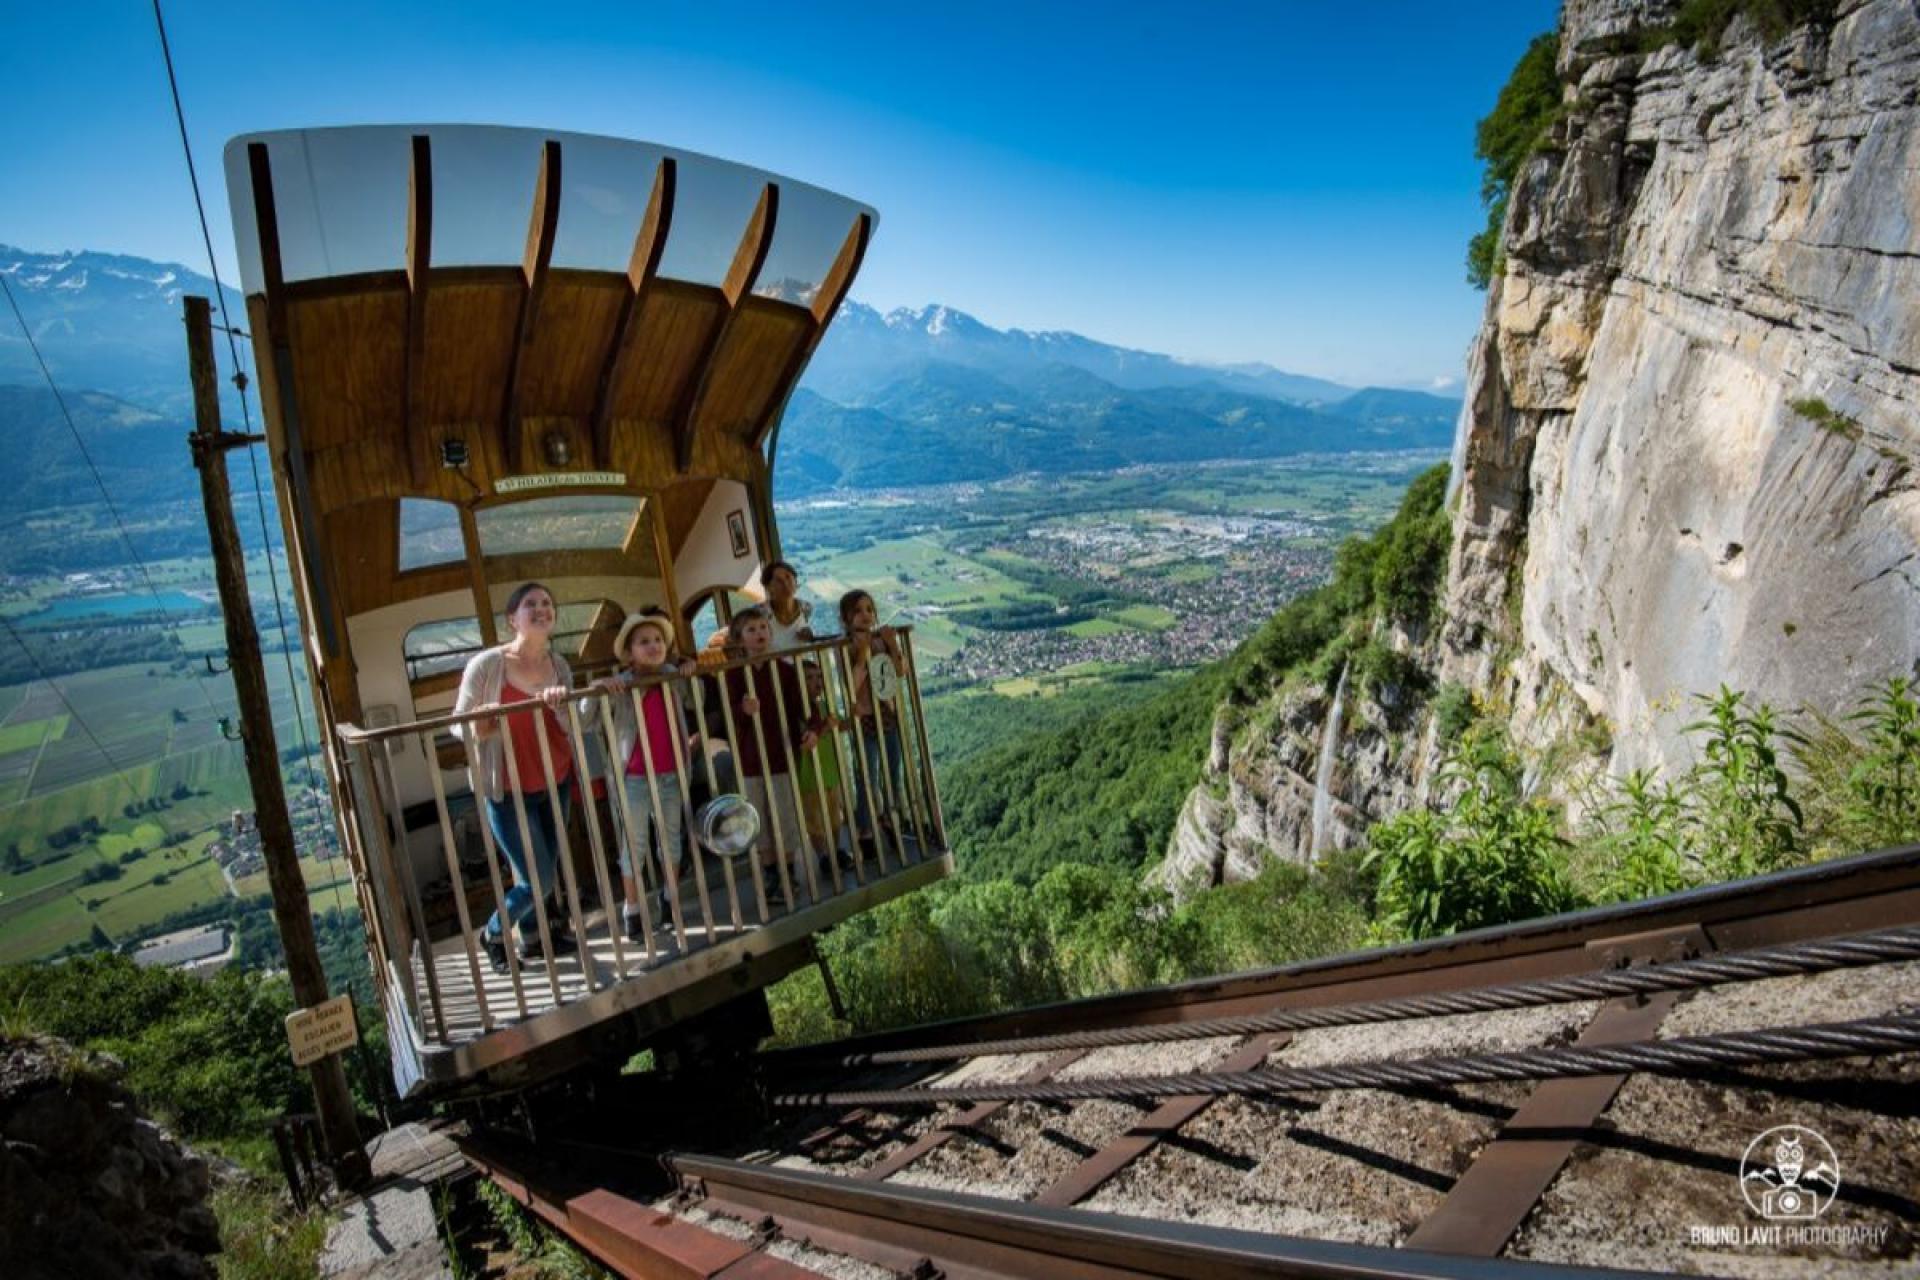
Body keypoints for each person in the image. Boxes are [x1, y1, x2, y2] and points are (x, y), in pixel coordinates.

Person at [453, 582, 579, 973]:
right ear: (512, 619)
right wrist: (481, 725)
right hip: (507, 790)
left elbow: (569, 722)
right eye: (531, 604)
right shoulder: (487, 665)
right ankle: (493, 933)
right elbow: (458, 724)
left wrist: (561, 706)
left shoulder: (559, 666)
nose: (541, 608)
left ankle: (535, 938)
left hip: (555, 779)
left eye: (547, 602)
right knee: (537, 880)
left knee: (542, 870)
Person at [592, 609, 698, 941]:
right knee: (634, 846)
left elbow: (696, 701)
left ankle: (670, 898)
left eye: (657, 640)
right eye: (643, 642)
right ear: (629, 652)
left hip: (670, 774)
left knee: (671, 841)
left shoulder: (672, 675)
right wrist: (597, 688)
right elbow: (587, 719)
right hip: (634, 779)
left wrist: (690, 675)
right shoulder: (621, 685)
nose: (652, 646)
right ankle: (633, 909)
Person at [721, 606, 824, 909]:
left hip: (782, 756)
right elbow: (727, 714)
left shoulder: (786, 671)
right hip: (750, 760)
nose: (759, 633)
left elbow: (808, 708)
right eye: (750, 630)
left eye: (763, 627)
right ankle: (770, 875)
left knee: (784, 814)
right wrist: (742, 711)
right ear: (739, 639)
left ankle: (788, 871)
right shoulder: (734, 676)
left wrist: (813, 731)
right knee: (760, 817)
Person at [840, 589, 908, 855]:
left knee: (893, 771)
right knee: (866, 776)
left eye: (869, 609)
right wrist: (863, 653)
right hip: (865, 717)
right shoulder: (844, 645)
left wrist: (892, 645)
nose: (865, 615)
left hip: (887, 714)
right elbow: (851, 685)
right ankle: (865, 830)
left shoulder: (881, 641)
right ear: (846, 617)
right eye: (857, 610)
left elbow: (900, 672)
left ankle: (892, 819)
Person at [762, 560, 814, 652]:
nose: (785, 584)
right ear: (769, 587)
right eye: (778, 580)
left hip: (800, 664)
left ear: (795, 580)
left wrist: (808, 634)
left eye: (788, 577)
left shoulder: (806, 608)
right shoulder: (761, 612)